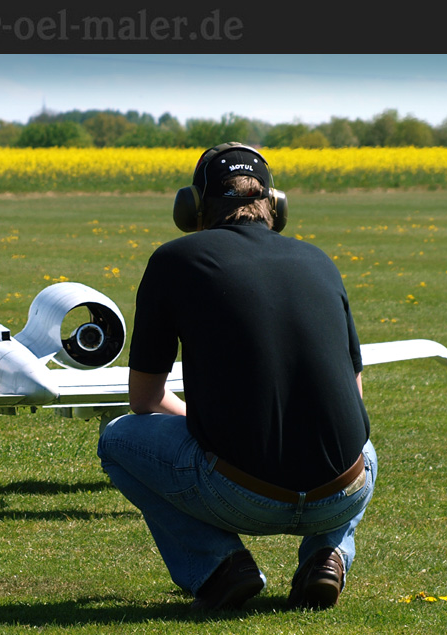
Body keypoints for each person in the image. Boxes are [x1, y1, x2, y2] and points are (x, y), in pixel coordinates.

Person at [98, 142, 376, 611]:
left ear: (192, 208)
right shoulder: (320, 260)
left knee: (118, 441)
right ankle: (327, 557)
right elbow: (355, 396)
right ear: (276, 204)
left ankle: (219, 566)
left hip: (243, 495)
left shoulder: (173, 260)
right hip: (342, 494)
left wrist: (205, 424)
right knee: (363, 445)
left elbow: (144, 401)